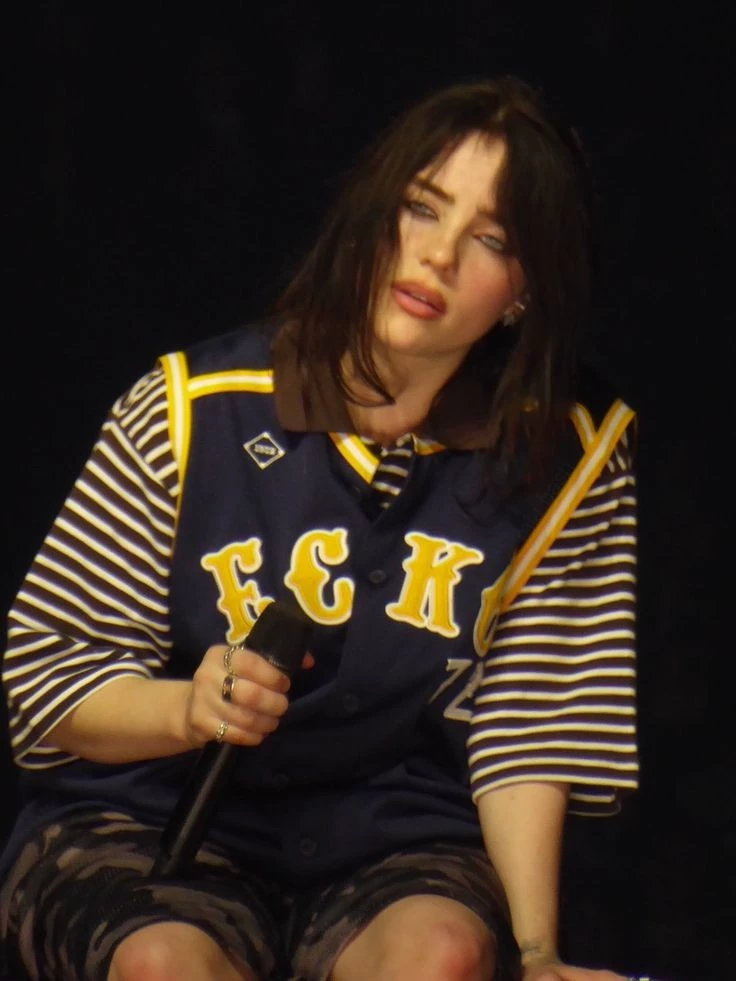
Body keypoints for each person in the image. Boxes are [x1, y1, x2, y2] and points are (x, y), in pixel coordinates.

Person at [1, 75, 640, 981]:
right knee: (162, 962)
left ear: (525, 289)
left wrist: (537, 955)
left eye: (493, 239)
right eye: (422, 208)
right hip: (151, 818)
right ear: (373, 212)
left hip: (393, 837)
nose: (439, 256)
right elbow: (46, 678)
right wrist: (189, 706)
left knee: (442, 953)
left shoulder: (567, 456)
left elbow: (529, 726)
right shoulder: (192, 407)